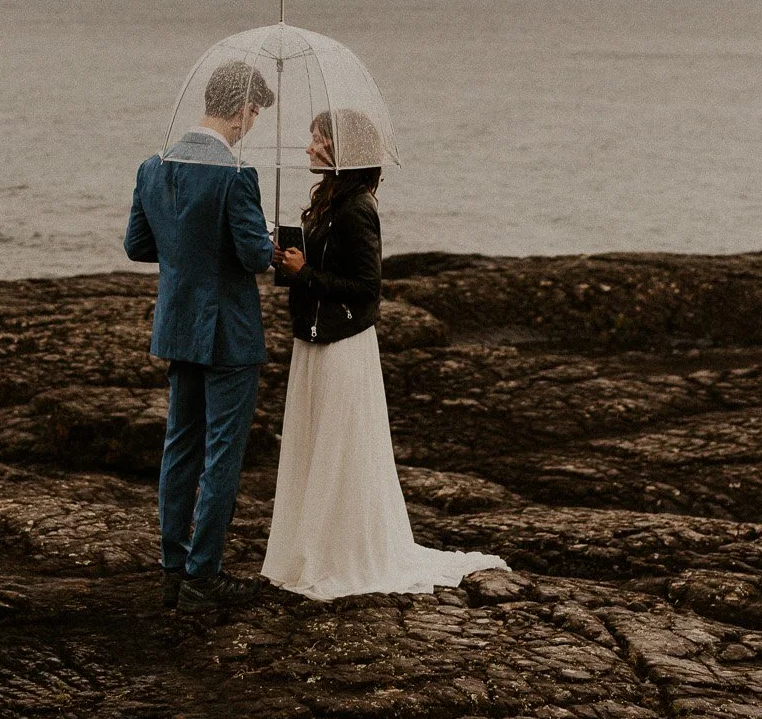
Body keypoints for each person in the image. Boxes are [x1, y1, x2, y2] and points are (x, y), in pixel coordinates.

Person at [264, 108, 507, 600]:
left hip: (342, 345)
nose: (308, 148)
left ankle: (342, 553)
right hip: (315, 339)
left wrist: (305, 271)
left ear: (342, 149)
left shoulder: (356, 209)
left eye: (317, 140)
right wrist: (288, 262)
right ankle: (314, 546)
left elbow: (366, 288)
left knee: (341, 448)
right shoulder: (328, 203)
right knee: (318, 445)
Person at [124, 58, 279, 613]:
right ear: (242, 109)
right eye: (256, 112)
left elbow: (137, 246)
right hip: (229, 334)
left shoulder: (152, 167)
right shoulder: (236, 176)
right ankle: (203, 574)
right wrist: (267, 236)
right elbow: (255, 257)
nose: (254, 123)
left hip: (178, 326)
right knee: (222, 455)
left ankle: (174, 567)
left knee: (179, 447)